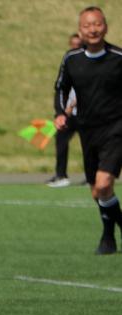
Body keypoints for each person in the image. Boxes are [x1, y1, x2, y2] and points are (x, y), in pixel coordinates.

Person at [54, 6, 122, 254]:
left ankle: (107, 237)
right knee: (97, 191)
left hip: (116, 130)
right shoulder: (71, 59)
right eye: (87, 25)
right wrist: (61, 113)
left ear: (105, 26)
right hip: (87, 131)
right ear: (80, 29)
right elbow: (61, 88)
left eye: (97, 24)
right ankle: (112, 234)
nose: (93, 29)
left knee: (104, 184)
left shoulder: (118, 57)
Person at [47, 33, 83, 188]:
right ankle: (61, 175)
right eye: (73, 44)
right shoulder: (68, 62)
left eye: (78, 45)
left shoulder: (87, 62)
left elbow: (88, 89)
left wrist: (72, 105)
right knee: (61, 142)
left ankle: (91, 177)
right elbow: (61, 87)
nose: (75, 47)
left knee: (89, 146)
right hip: (68, 115)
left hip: (84, 113)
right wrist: (61, 111)